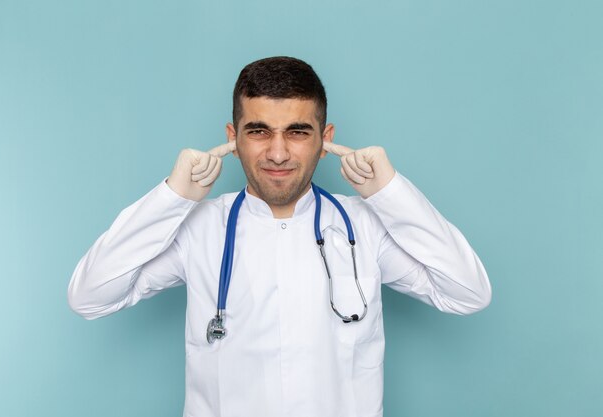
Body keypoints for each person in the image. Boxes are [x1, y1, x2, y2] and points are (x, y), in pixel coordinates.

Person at [68, 56, 491, 417]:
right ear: (233, 139)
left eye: (297, 131)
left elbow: (468, 293)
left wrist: (391, 193)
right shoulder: (199, 228)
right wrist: (172, 198)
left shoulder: (364, 226)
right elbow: (90, 296)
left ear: (325, 140)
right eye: (258, 131)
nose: (277, 152)